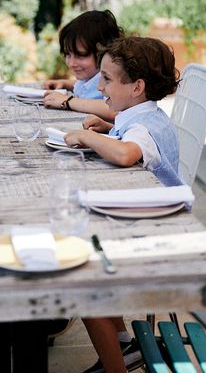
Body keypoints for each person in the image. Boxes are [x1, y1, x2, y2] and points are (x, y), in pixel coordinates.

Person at [64, 36, 181, 373]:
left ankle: (114, 366)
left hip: (157, 236)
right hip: (148, 222)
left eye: (108, 79)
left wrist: (88, 137)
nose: (99, 85)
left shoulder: (143, 126)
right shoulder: (141, 116)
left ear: (136, 87)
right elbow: (128, 139)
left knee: (81, 281)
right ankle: (121, 344)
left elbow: (128, 153)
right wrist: (109, 127)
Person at [42, 10, 122, 119]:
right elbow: (88, 86)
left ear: (104, 52)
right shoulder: (93, 76)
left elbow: (113, 109)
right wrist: (65, 84)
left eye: (81, 55)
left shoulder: (114, 80)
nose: (71, 63)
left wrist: (67, 101)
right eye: (67, 54)